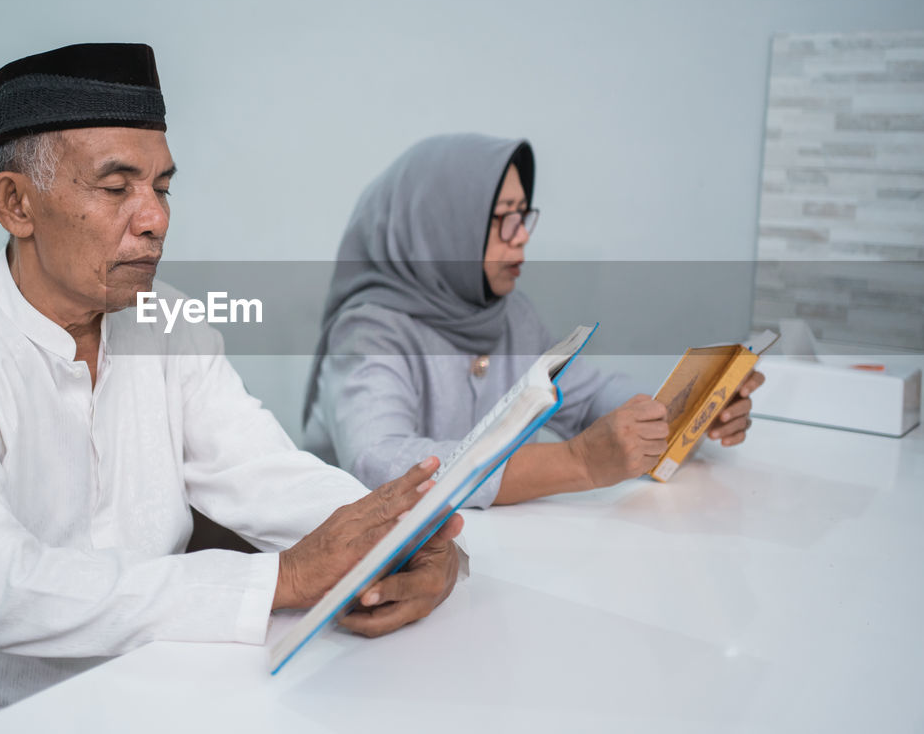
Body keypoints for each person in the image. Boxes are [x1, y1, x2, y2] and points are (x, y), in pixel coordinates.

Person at [0, 45, 463, 734]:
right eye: (116, 185)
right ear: (16, 204)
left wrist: (407, 539)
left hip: (134, 699)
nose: (154, 217)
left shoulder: (169, 323)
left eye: (161, 185)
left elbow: (263, 474)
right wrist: (281, 578)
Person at [302, 133, 764, 506]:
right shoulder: (369, 331)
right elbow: (379, 462)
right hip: (374, 578)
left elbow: (585, 397)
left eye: (523, 216)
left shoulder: (508, 313)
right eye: (503, 219)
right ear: (440, 228)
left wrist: (689, 411)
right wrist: (577, 462)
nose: (521, 236)